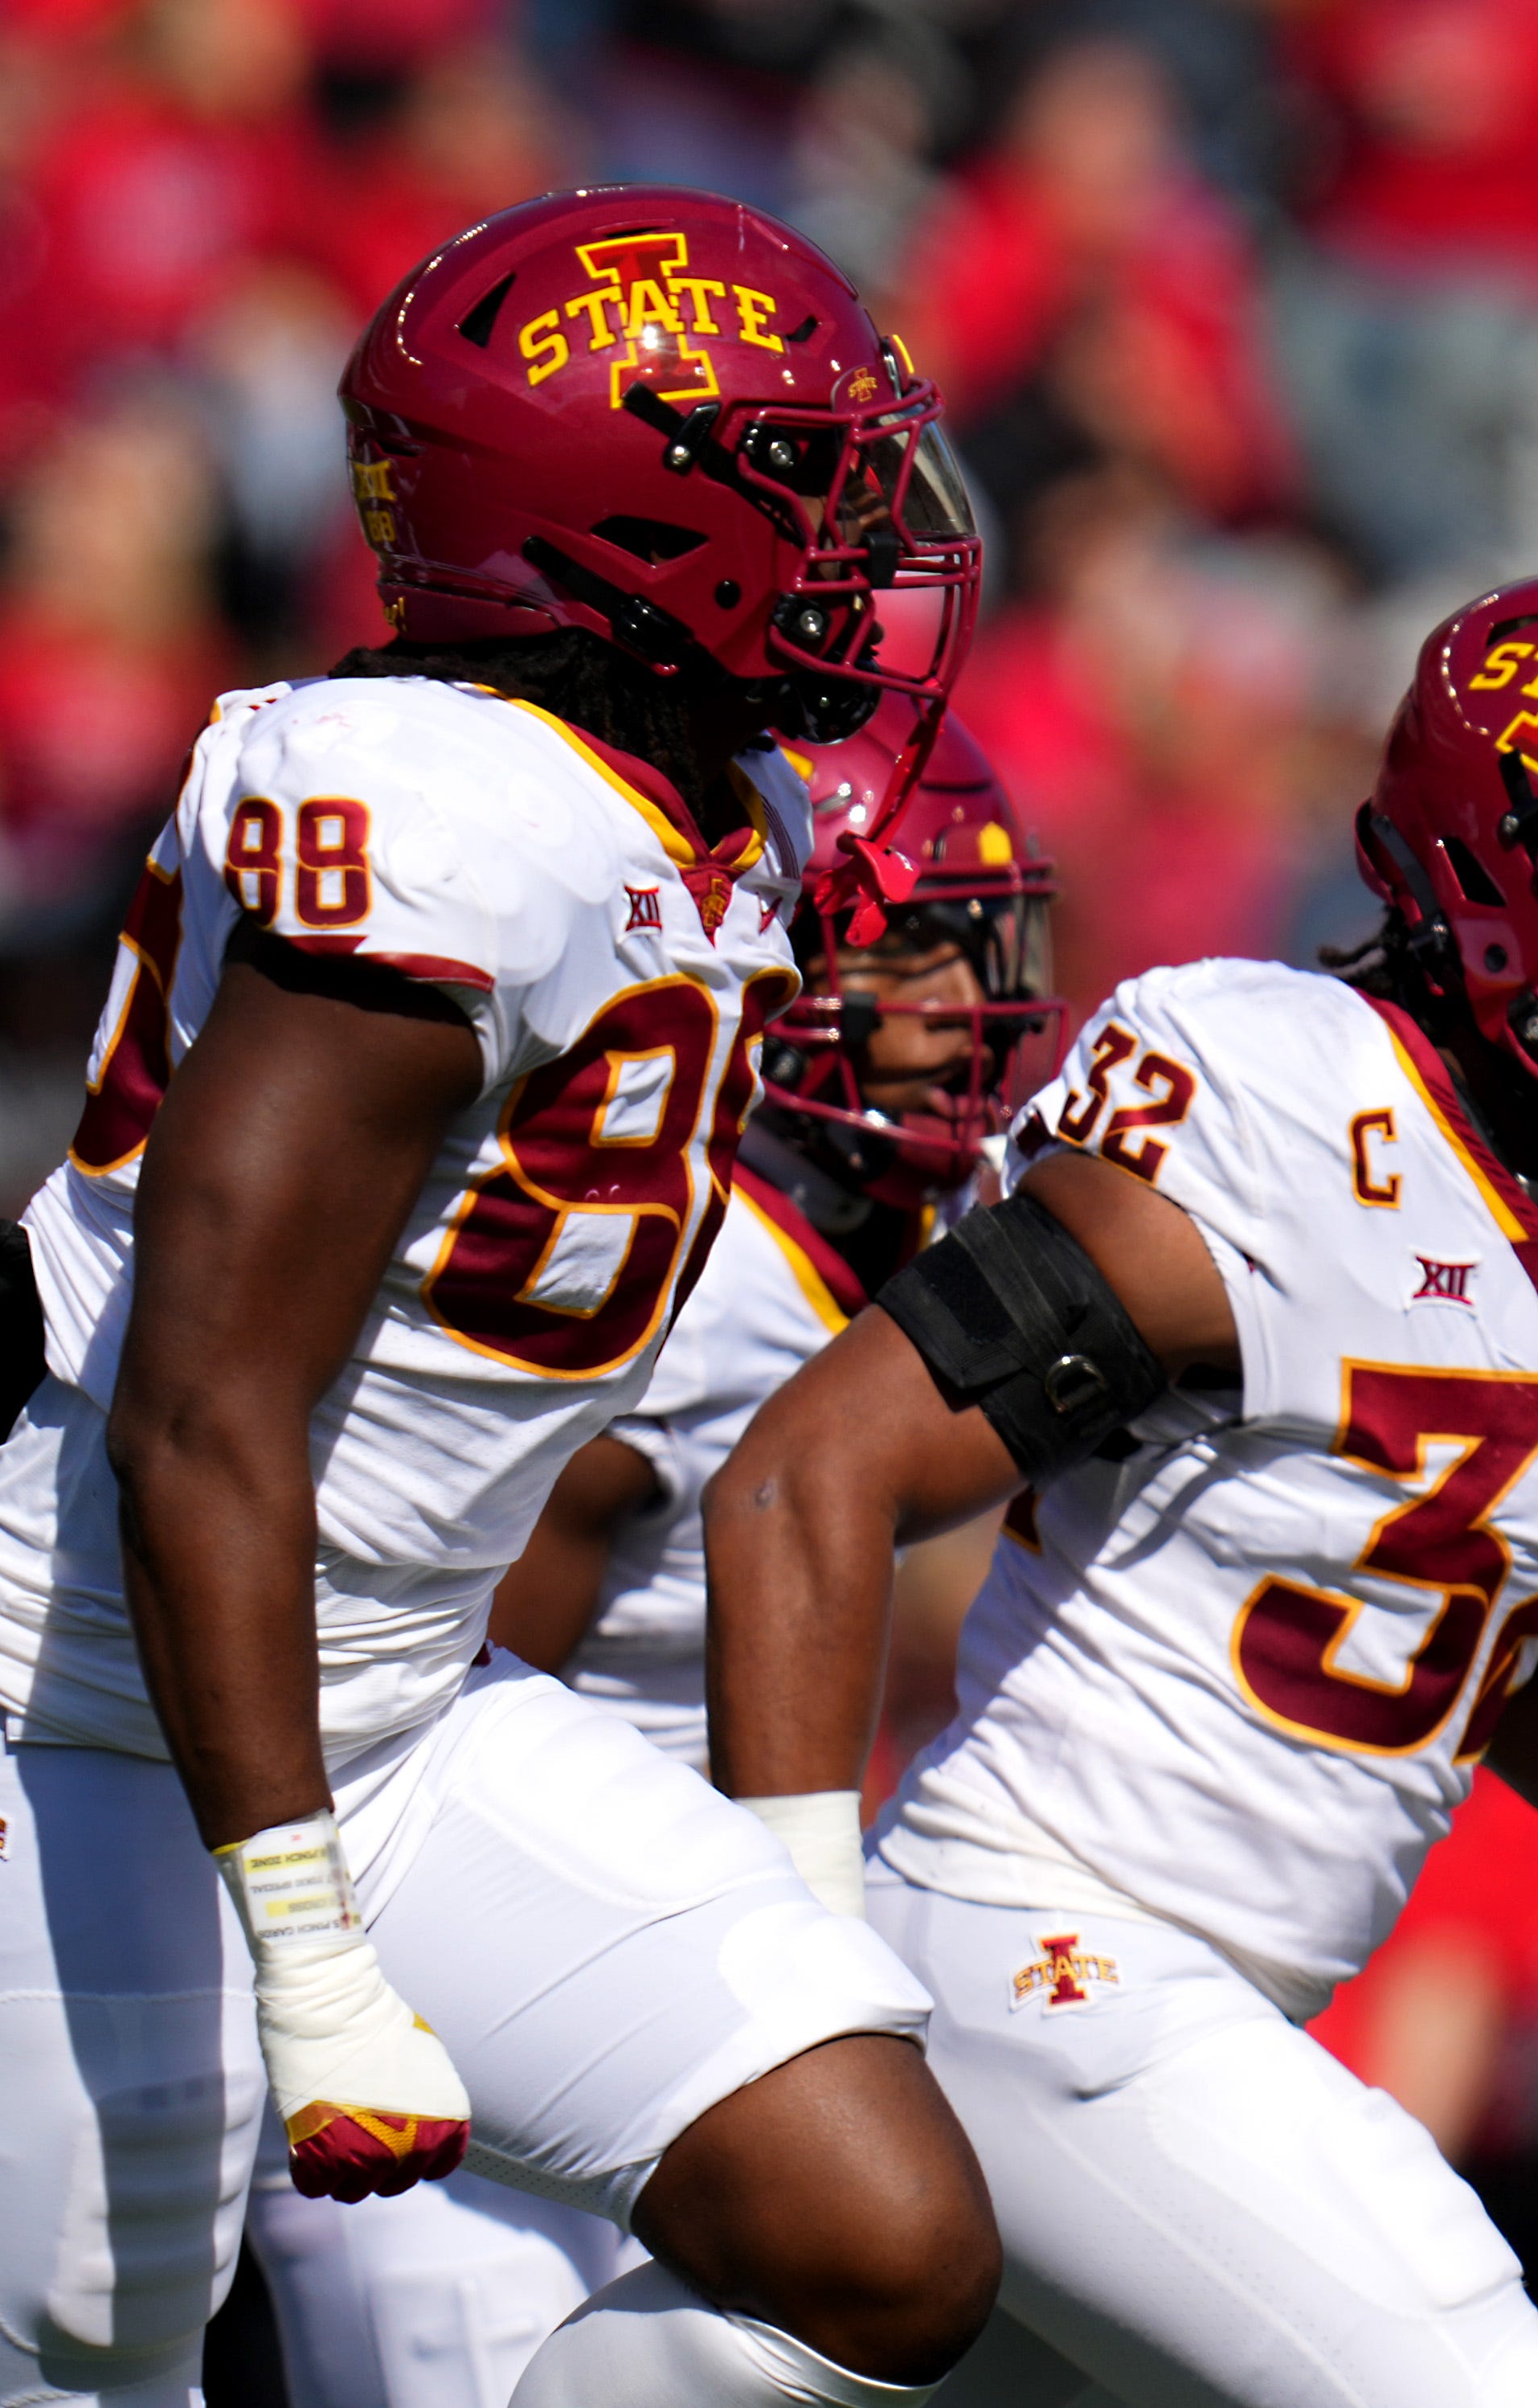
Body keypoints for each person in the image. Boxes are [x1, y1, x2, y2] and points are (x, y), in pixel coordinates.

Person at [0, 186, 1007, 2408]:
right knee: (83, 2356)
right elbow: (198, 1411)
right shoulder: (447, 812)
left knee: (884, 2237)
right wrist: (303, 1938)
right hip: (69, 1714)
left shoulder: (677, 789)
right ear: (627, 523)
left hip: (402, 1701)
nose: (867, 533)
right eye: (804, 481)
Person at [706, 568, 1538, 2408]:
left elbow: (1537, 1623)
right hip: (1038, 1942)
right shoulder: (1276, 1099)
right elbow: (808, 1476)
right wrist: (789, 1999)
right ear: (1510, 892)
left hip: (1216, 2014)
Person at [246, 710, 1060, 2408]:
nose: (948, 1019)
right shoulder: (709, 1269)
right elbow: (463, 1666)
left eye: (976, 958)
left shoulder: (836, 1258)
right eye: (909, 956)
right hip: (468, 2016)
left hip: (615, 2007)